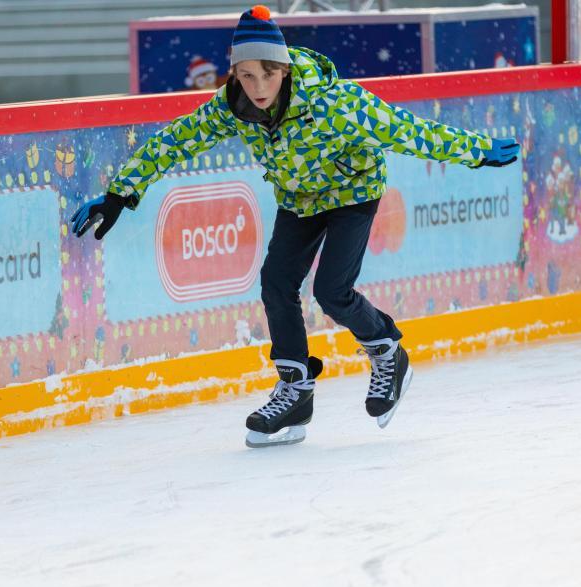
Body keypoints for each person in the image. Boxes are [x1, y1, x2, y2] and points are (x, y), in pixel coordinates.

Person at [70, 5, 519, 448]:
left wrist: (475, 151)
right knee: (276, 283)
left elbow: (406, 130)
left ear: (283, 69)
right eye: (247, 75)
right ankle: (295, 390)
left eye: (267, 74)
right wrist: (119, 194)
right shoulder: (232, 108)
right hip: (299, 200)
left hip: (352, 193)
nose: (258, 86)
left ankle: (386, 351)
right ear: (235, 75)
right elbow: (175, 140)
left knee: (331, 291)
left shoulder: (335, 103)